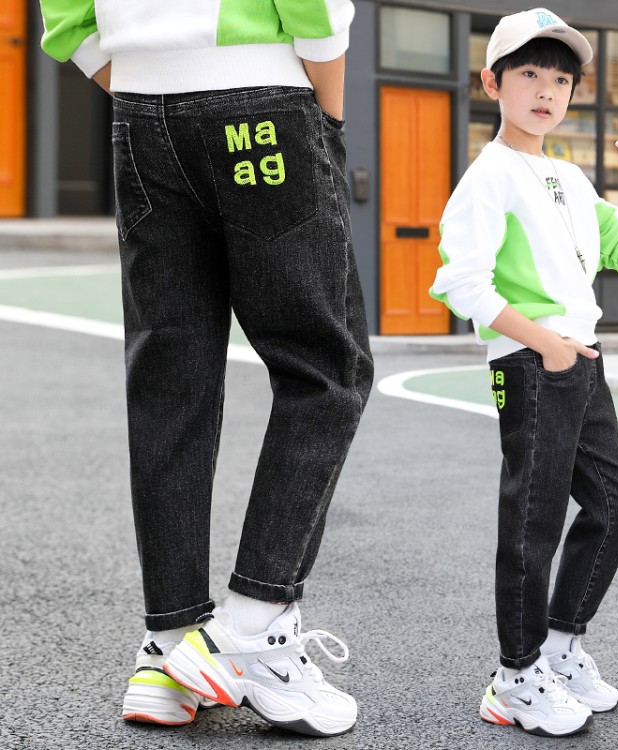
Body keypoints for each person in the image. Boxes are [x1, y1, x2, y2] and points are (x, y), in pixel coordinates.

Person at [38, 0, 373, 737]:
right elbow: (316, 9)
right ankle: (252, 627)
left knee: (169, 377)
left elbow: (63, 13)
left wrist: (144, 81)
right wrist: (326, 113)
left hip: (139, 112)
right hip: (264, 100)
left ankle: (168, 647)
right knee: (325, 368)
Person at [430, 7, 618, 739]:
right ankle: (515, 677)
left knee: (615, 505)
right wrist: (548, 345)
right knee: (532, 524)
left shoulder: (567, 176)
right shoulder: (488, 177)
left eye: (561, 80)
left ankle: (561, 648)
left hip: (579, 362)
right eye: (529, 73)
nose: (546, 91)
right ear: (492, 83)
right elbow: (460, 283)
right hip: (536, 363)